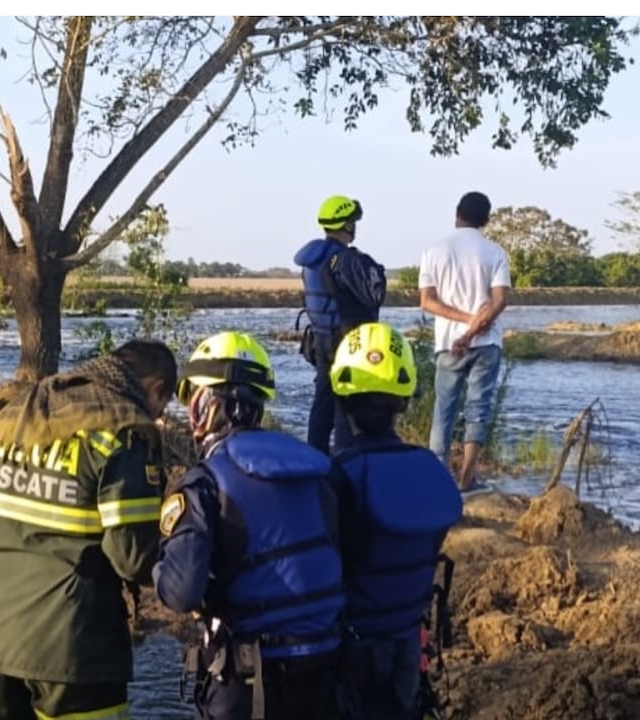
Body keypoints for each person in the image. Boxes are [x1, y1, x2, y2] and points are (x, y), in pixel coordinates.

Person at [0, 340, 177, 720]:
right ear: (157, 388)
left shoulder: (20, 413)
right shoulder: (123, 428)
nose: (159, 416)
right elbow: (133, 558)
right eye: (164, 404)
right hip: (69, 646)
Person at [153, 331, 345, 720]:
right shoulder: (315, 469)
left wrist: (157, 565)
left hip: (249, 682)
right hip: (326, 669)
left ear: (205, 404)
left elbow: (180, 593)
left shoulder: (206, 482)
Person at [326, 322, 463, 720]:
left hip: (348, 651)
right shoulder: (428, 468)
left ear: (341, 398)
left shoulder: (337, 476)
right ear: (403, 401)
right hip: (409, 645)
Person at [418, 191, 512, 491]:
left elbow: (427, 302)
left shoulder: (433, 251)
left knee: (443, 410)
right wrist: (474, 326)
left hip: (447, 342)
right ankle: (467, 480)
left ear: (456, 214)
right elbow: (499, 301)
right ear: (486, 220)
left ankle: (437, 480)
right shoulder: (495, 253)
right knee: (478, 409)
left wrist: (462, 324)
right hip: (486, 344)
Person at [294, 194, 388, 455]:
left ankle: (315, 459)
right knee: (345, 405)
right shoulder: (345, 259)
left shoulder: (313, 260)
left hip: (321, 342)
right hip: (348, 343)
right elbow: (373, 296)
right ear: (347, 225)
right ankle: (346, 461)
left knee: (321, 404)